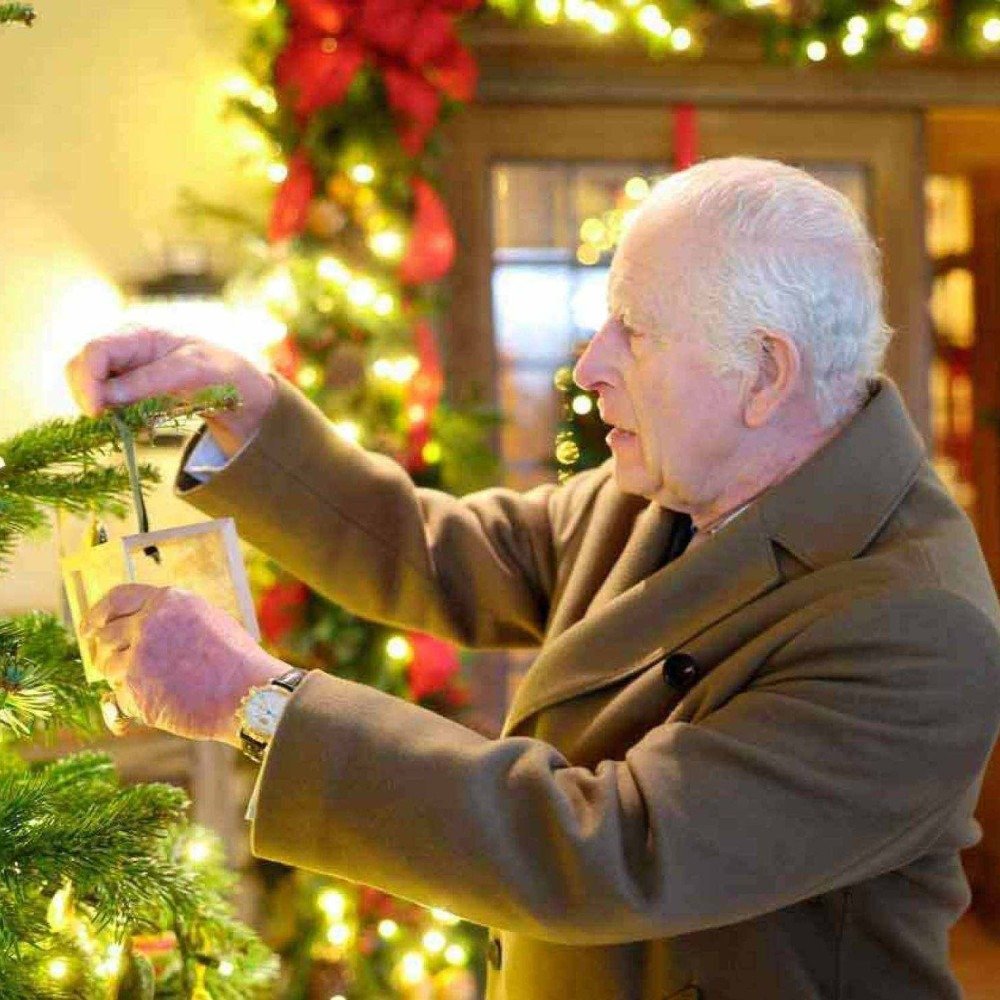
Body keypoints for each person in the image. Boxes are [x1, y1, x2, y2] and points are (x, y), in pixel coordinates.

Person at [68, 157, 1000, 1000]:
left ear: (764, 372)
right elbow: (439, 556)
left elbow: (612, 851)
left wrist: (260, 701)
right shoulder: (677, 481)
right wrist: (255, 414)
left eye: (636, 332)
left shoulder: (919, 621)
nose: (592, 366)